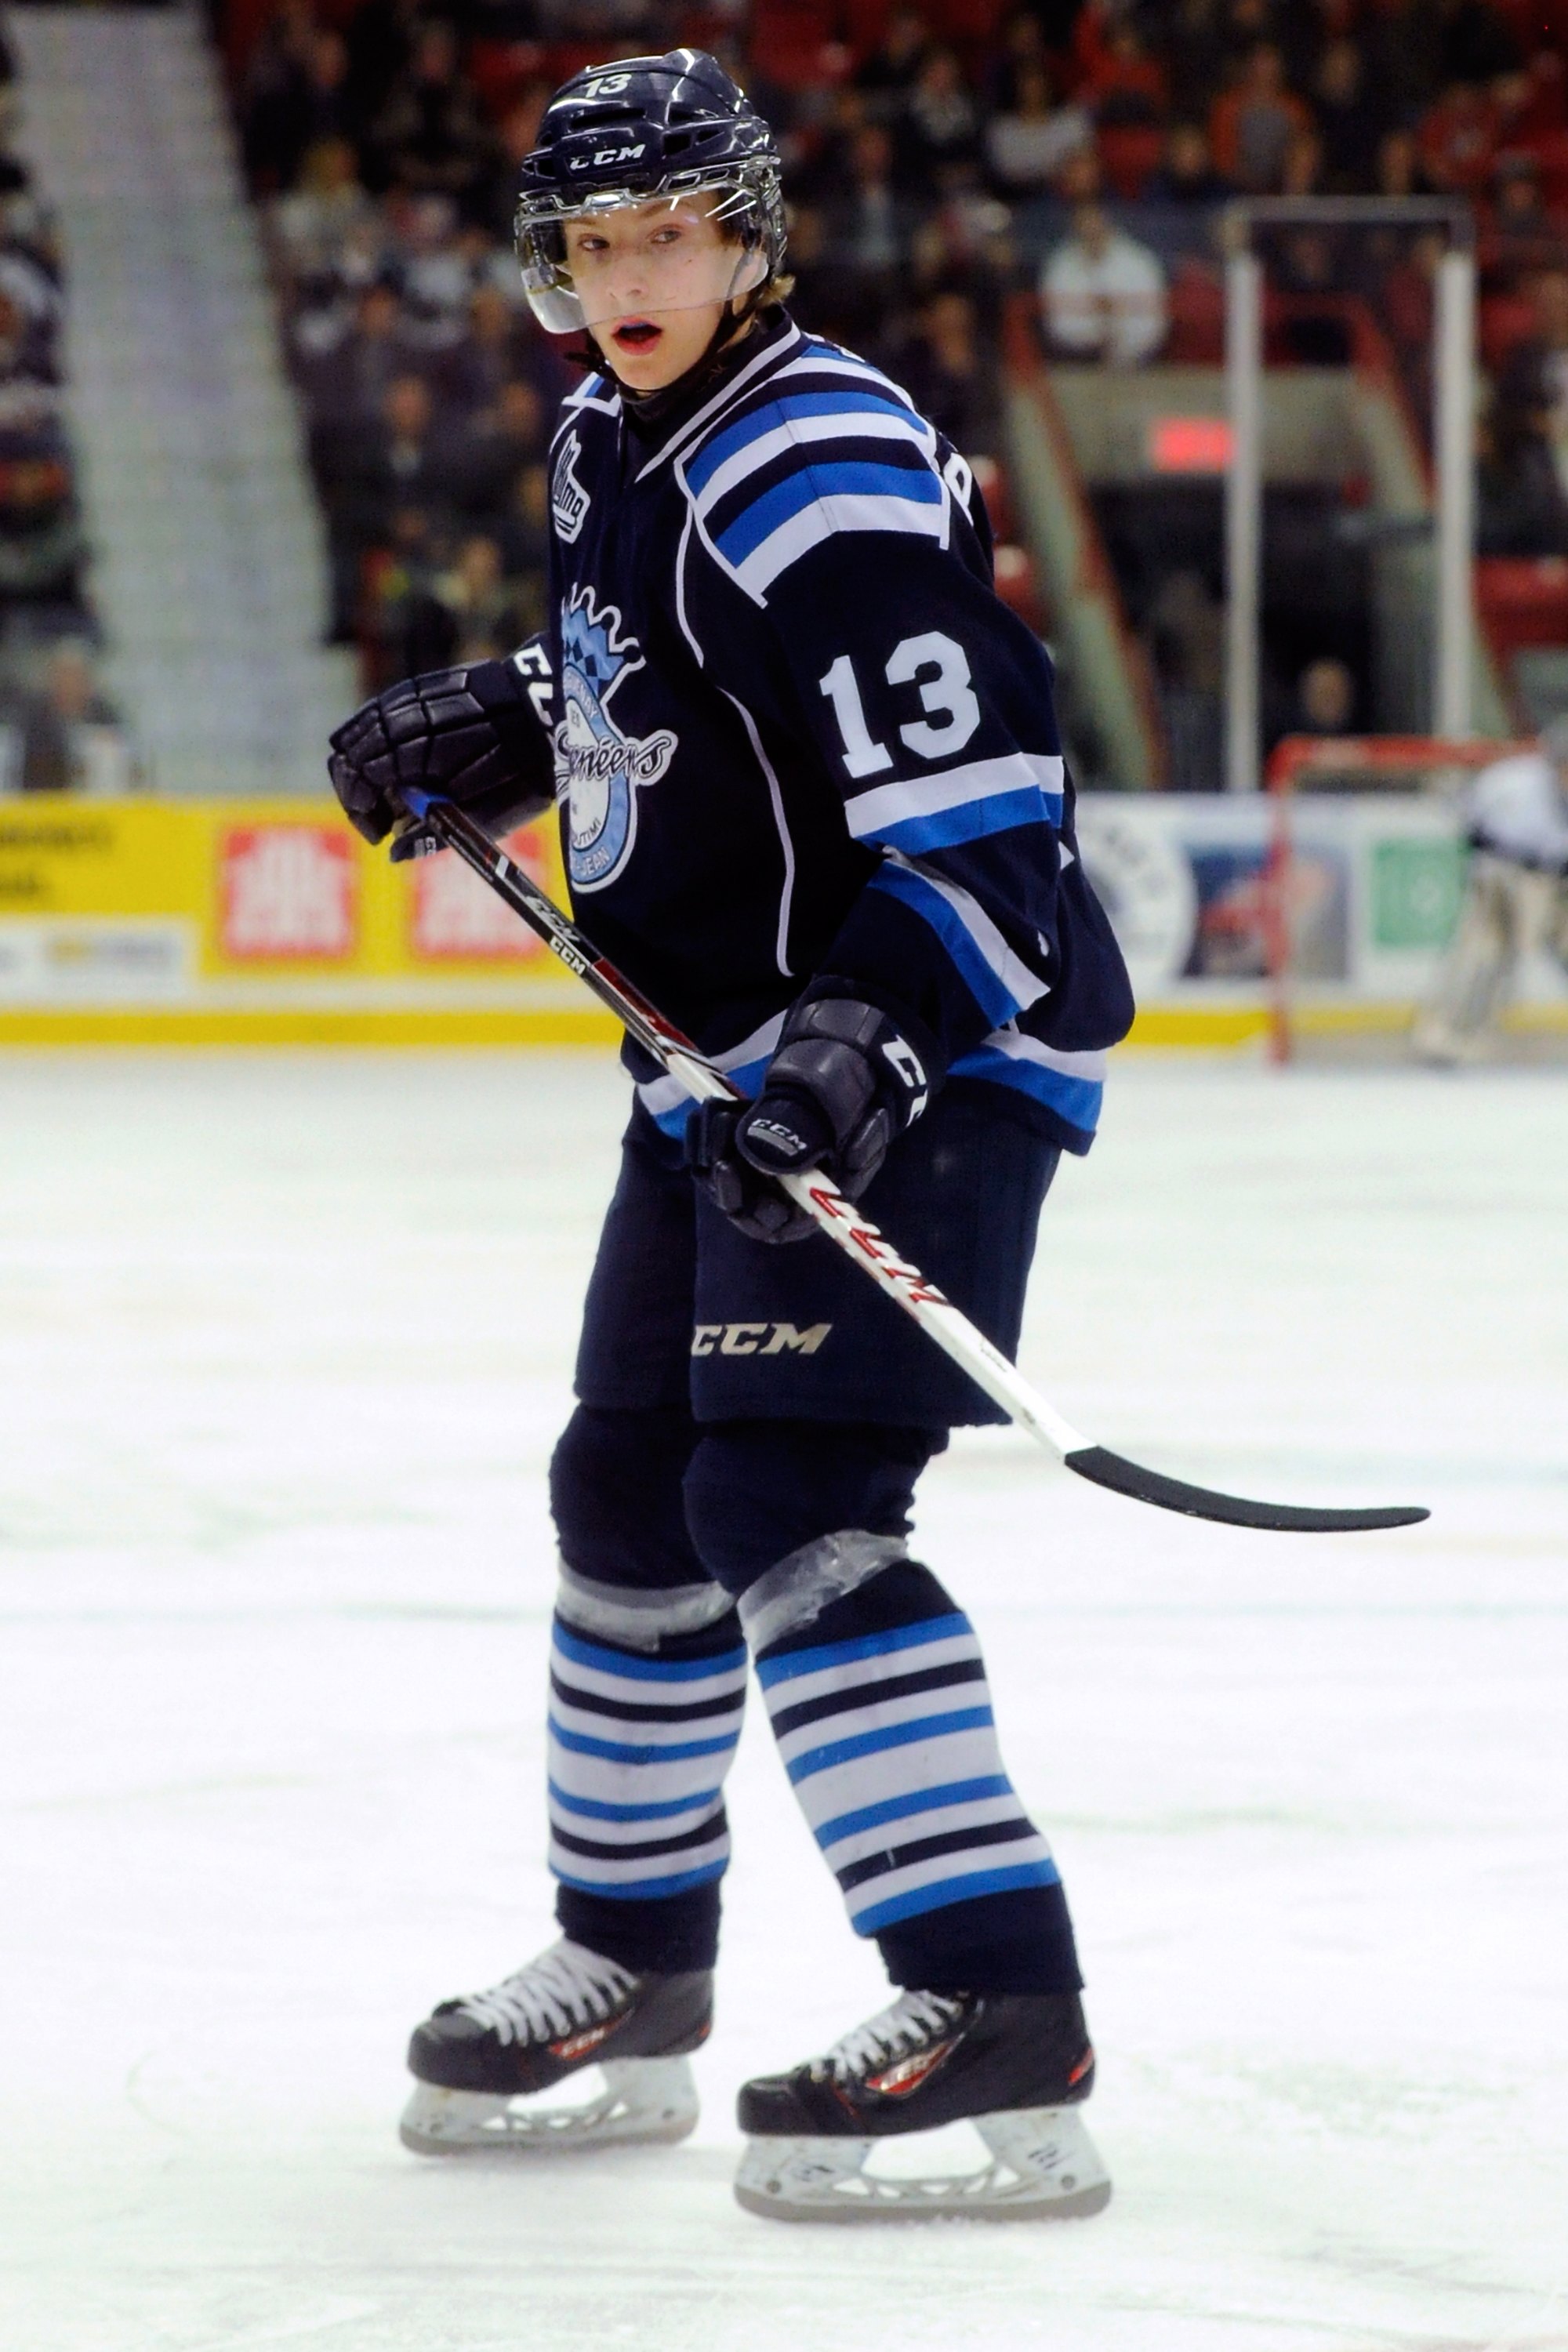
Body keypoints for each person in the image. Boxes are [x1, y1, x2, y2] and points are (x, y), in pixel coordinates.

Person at [327, 49, 1132, 2224]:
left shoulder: (819, 461)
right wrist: (506, 716)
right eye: (590, 245)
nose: (625, 277)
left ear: (754, 237)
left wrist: (866, 1044)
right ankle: (632, 1958)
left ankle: (997, 2002)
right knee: (627, 1487)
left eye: (667, 232)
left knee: (782, 1491)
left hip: (927, 1037)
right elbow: (674, 671)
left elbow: (985, 802)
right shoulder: (618, 420)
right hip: (719, 1059)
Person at [1411, 722, 1568, 1063]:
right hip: (1502, 877)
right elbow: (1468, 819)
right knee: (1484, 953)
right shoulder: (1512, 784)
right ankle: (1443, 1034)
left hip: (1557, 887)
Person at [1041, 199, 1169, 365]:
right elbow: (1057, 324)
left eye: (1095, 224)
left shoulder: (1139, 262)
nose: (1091, 231)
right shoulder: (1060, 265)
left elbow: (1154, 323)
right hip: (1076, 362)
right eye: (1084, 226)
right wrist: (1095, 337)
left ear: (1108, 223)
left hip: (1138, 362)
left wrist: (1120, 341)